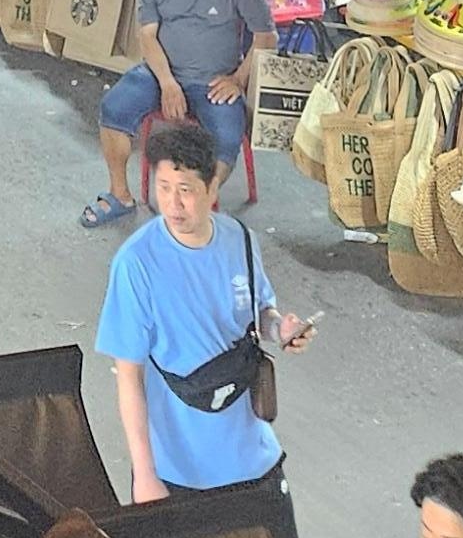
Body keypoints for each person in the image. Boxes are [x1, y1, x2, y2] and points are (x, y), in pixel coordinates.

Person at [93, 116, 312, 505]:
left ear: (212, 188)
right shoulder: (136, 264)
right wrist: (144, 476)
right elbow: (128, 377)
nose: (173, 204)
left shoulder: (240, 240)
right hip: (177, 470)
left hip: (252, 457)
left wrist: (280, 329)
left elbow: (260, 313)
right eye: (163, 188)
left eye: (185, 190)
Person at [83, 0, 272, 223]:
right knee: (114, 107)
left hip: (216, 80)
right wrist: (168, 83)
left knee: (227, 136)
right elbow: (147, 37)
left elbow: (266, 36)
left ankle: (199, 204)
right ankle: (120, 194)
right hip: (160, 74)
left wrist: (238, 79)